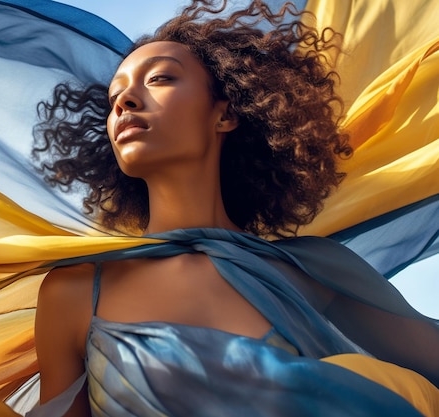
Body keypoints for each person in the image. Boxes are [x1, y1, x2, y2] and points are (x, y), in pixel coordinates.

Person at [29, 1, 439, 416]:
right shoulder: (75, 292)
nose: (125, 102)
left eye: (159, 78)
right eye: (114, 97)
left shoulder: (308, 272)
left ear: (224, 114)